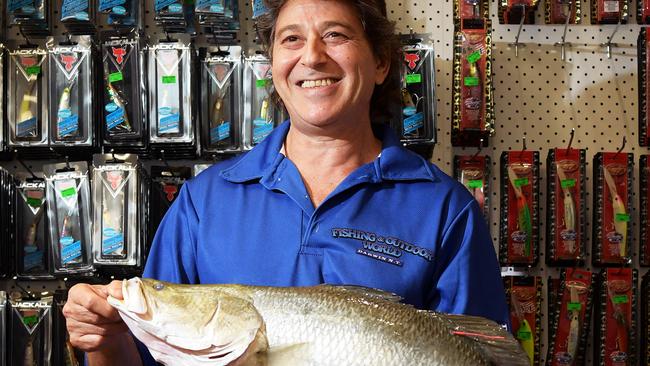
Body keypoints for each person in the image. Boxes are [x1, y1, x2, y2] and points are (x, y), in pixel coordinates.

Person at [63, 0, 510, 364]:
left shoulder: (446, 209)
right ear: (274, 64)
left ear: (379, 62)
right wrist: (104, 340)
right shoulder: (205, 201)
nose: (312, 56)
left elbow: (484, 350)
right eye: (291, 38)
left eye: (335, 35)